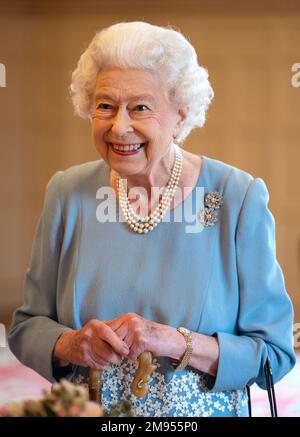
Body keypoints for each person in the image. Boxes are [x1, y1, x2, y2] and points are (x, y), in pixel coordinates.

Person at [8, 21, 296, 417]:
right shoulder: (67, 193)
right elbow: (26, 328)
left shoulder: (234, 197)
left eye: (140, 107)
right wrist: (71, 344)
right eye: (105, 105)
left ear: (181, 115)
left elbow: (273, 354)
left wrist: (176, 341)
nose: (119, 126)